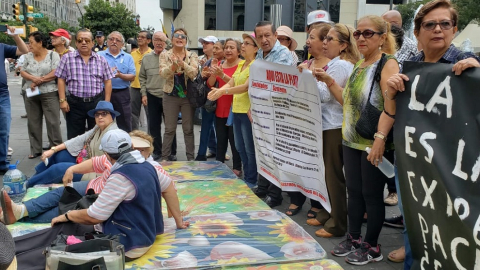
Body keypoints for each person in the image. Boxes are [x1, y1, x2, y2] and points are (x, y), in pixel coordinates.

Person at [382, 0, 480, 267]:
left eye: (445, 24)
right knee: (414, 219)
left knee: (451, 223)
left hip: (452, 165)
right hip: (413, 161)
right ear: (417, 32)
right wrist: (391, 93)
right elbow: (394, 112)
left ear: (454, 29)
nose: (438, 29)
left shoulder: (469, 64)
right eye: (430, 24)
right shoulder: (411, 66)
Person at [1, 130, 187, 234]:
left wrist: (67, 217)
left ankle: (19, 213)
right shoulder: (124, 159)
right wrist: (72, 169)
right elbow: (95, 163)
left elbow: (94, 216)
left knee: (64, 210)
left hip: (109, 208)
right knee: (62, 193)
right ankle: (20, 211)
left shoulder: (128, 173)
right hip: (97, 188)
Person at [324, 15, 399, 265]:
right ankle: (354, 238)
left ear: (381, 37)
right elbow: (348, 102)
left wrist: (380, 139)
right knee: (354, 192)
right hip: (351, 140)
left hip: (372, 142)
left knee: (371, 195)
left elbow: (391, 108)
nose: (361, 38)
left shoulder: (387, 64)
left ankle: (372, 245)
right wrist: (329, 81)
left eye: (368, 33)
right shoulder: (359, 64)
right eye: (357, 33)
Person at [303, 23, 361, 239]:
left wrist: (308, 75)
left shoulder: (341, 66)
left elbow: (325, 95)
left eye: (330, 40)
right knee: (326, 175)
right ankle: (328, 212)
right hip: (326, 125)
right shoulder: (334, 64)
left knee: (333, 176)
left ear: (344, 45)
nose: (324, 43)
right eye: (324, 39)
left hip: (334, 126)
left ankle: (337, 223)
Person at [286, 23, 332, 218]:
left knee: (316, 166)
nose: (308, 41)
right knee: (296, 161)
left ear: (325, 42)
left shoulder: (333, 65)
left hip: (322, 125)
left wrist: (308, 77)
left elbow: (326, 96)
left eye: (312, 37)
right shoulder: (305, 64)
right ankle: (296, 199)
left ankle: (316, 203)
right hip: (299, 122)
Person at [26, 101, 119, 187]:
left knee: (58, 169)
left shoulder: (113, 134)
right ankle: (35, 176)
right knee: (60, 154)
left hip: (96, 173)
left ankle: (28, 184)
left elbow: (103, 163)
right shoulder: (98, 128)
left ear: (112, 116)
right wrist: (53, 149)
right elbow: (78, 140)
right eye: (97, 114)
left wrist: (75, 168)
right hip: (86, 162)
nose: (100, 117)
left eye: (104, 114)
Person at [208, 33, 258, 188]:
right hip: (236, 110)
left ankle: (252, 179)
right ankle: (248, 177)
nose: (243, 46)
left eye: (247, 44)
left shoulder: (255, 65)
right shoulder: (242, 65)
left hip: (247, 112)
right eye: (243, 43)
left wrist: (223, 92)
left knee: (249, 149)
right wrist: (219, 90)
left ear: (256, 48)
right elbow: (232, 81)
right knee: (240, 147)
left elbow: (245, 87)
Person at [253, 21, 294, 208]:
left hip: (279, 111)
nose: (264, 40)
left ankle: (275, 194)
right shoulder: (260, 54)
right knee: (263, 149)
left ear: (275, 35)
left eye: (267, 35)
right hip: (262, 110)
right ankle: (262, 186)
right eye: (260, 36)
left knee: (275, 153)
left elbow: (279, 86)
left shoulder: (283, 54)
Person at [55, 29, 115, 140]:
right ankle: (76, 157)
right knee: (75, 136)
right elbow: (61, 79)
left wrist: (106, 103)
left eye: (87, 40)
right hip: (74, 103)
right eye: (80, 40)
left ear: (93, 42)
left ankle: (94, 157)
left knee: (97, 134)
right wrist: (62, 100)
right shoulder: (67, 59)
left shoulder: (101, 60)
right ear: (76, 43)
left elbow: (107, 81)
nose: (83, 43)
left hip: (96, 103)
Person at [20, 31, 62, 159]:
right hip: (31, 93)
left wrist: (39, 80)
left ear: (40, 42)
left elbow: (56, 72)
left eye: (31, 42)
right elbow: (22, 71)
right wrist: (33, 79)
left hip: (49, 92)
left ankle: (56, 147)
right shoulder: (28, 56)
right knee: (33, 121)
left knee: (53, 122)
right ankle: (35, 149)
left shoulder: (53, 55)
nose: (29, 45)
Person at [159, 28, 199, 161]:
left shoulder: (192, 55)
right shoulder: (165, 55)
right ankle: (164, 157)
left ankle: (190, 158)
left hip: (188, 97)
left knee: (188, 129)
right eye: (177, 35)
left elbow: (194, 73)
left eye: (183, 36)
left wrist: (183, 64)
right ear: (172, 39)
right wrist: (173, 67)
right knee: (169, 129)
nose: (180, 38)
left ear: (186, 40)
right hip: (170, 96)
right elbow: (162, 73)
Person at [205, 39, 242, 176]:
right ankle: (219, 163)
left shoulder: (242, 66)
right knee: (221, 139)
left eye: (232, 47)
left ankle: (237, 167)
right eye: (226, 47)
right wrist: (214, 72)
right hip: (220, 106)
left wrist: (222, 75)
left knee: (235, 141)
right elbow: (210, 84)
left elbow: (236, 84)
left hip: (234, 108)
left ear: (239, 51)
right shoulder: (220, 63)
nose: (228, 50)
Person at [139, 31, 177, 161]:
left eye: (162, 40)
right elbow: (142, 77)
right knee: (154, 126)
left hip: (169, 95)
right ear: (152, 41)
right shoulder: (146, 58)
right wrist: (143, 94)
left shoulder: (171, 56)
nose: (159, 42)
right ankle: (157, 151)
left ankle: (171, 152)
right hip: (152, 95)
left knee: (170, 126)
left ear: (166, 42)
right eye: (156, 39)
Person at [0, 25, 29, 175]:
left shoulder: (2, 47)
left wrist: (15, 36)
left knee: (3, 128)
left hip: (2, 93)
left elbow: (24, 51)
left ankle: (2, 162)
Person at [98, 31, 136, 132]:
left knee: (124, 121)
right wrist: (106, 73)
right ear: (107, 41)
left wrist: (120, 75)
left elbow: (132, 76)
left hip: (122, 93)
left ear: (122, 44)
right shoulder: (99, 55)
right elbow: (93, 73)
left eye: (117, 40)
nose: (114, 42)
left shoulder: (128, 57)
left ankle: (125, 145)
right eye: (111, 39)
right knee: (102, 120)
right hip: (102, 92)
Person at [195, 37, 222, 161]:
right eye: (203, 43)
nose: (204, 45)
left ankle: (220, 153)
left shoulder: (229, 62)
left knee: (222, 129)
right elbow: (202, 82)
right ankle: (201, 154)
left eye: (207, 43)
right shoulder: (206, 62)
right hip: (208, 100)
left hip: (224, 100)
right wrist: (203, 74)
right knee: (206, 127)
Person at [130, 31, 152, 131]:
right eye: (138, 37)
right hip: (134, 87)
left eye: (142, 37)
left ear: (148, 40)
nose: (139, 38)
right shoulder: (132, 54)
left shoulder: (152, 54)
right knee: (133, 114)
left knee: (150, 115)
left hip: (148, 88)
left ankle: (151, 138)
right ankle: (134, 137)